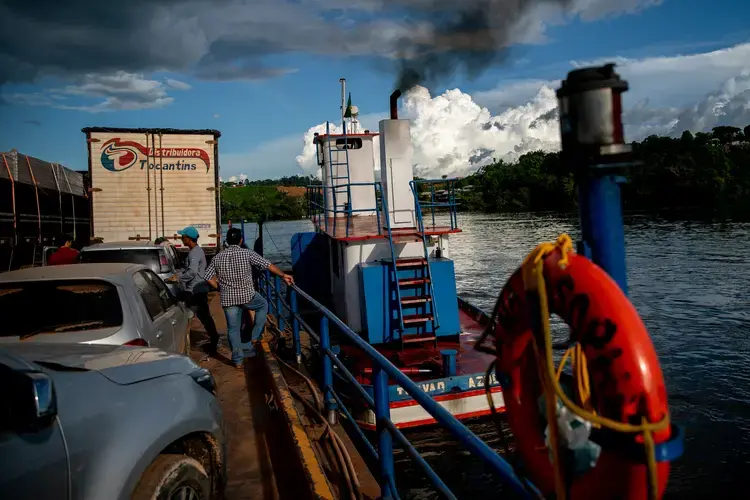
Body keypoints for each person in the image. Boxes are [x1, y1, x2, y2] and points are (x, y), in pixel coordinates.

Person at [203, 227, 293, 368]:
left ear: (227, 241)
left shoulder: (217, 257)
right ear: (241, 240)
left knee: (233, 329)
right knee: (263, 305)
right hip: (247, 296)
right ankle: (255, 336)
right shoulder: (247, 254)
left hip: (228, 299)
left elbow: (207, 277)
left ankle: (237, 361)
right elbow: (267, 265)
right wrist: (283, 275)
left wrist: (220, 288)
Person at [176, 226, 219, 356]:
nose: (181, 239)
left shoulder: (194, 253)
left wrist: (178, 278)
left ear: (188, 239)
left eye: (183, 237)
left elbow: (192, 272)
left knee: (189, 316)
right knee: (204, 316)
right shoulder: (197, 251)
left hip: (195, 290)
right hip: (199, 288)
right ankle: (214, 339)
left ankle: (187, 345)